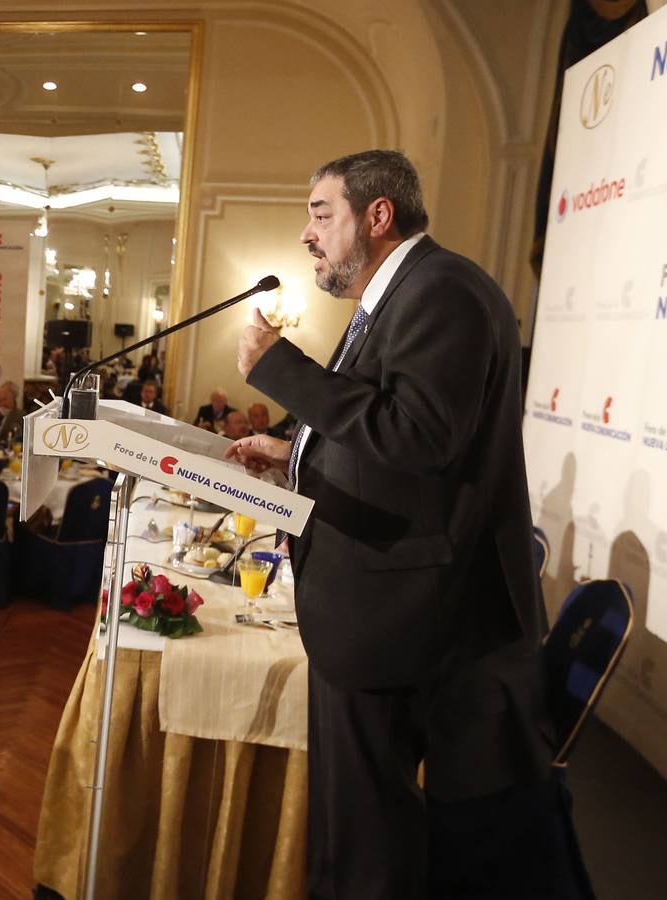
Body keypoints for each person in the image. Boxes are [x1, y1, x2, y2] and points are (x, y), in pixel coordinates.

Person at [225, 150, 556, 898]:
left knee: (368, 837)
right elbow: (382, 436)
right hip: (375, 605)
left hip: (400, 617)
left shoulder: (440, 292)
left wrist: (281, 369)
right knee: (351, 829)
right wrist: (294, 453)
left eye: (320, 213)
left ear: (378, 216)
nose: (306, 234)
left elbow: (419, 436)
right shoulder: (396, 298)